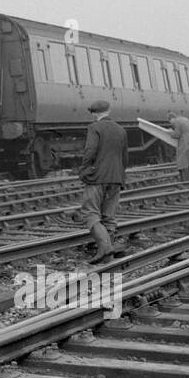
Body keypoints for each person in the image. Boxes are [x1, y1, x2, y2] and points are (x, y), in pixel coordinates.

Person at [77, 99, 127, 261]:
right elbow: (125, 156)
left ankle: (104, 247)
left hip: (98, 177)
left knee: (90, 212)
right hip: (116, 176)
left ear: (94, 114)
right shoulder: (121, 130)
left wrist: (84, 169)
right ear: (109, 111)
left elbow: (90, 150)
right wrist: (121, 175)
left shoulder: (94, 127)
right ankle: (108, 251)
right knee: (109, 215)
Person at [169, 113, 189, 183]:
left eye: (170, 121)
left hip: (185, 142)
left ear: (172, 118)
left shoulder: (176, 122)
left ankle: (185, 182)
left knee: (182, 162)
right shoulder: (185, 119)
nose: (171, 123)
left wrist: (171, 132)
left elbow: (177, 134)